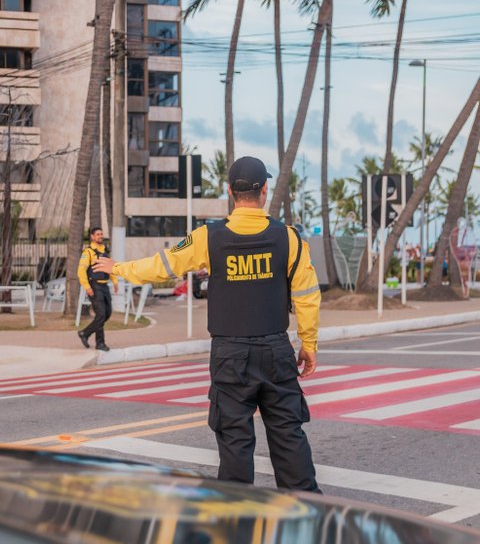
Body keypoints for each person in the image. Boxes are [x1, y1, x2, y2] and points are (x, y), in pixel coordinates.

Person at [93, 156, 323, 492]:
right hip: (276, 351)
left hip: (230, 354)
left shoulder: (207, 237)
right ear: (264, 191)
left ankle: (233, 516)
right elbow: (307, 295)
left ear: (230, 192)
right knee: (288, 435)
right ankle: (309, 512)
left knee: (234, 441)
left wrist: (117, 268)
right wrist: (309, 344)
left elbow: (162, 266)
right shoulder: (289, 238)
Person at [77, 227, 118, 352]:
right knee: (100, 314)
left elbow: (109, 268)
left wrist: (115, 282)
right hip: (94, 286)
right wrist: (87, 287)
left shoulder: (105, 251)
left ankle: (85, 333)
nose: (100, 236)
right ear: (92, 237)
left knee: (107, 313)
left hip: (105, 286)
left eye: (101, 234)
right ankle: (100, 343)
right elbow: (81, 271)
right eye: (98, 234)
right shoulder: (88, 252)